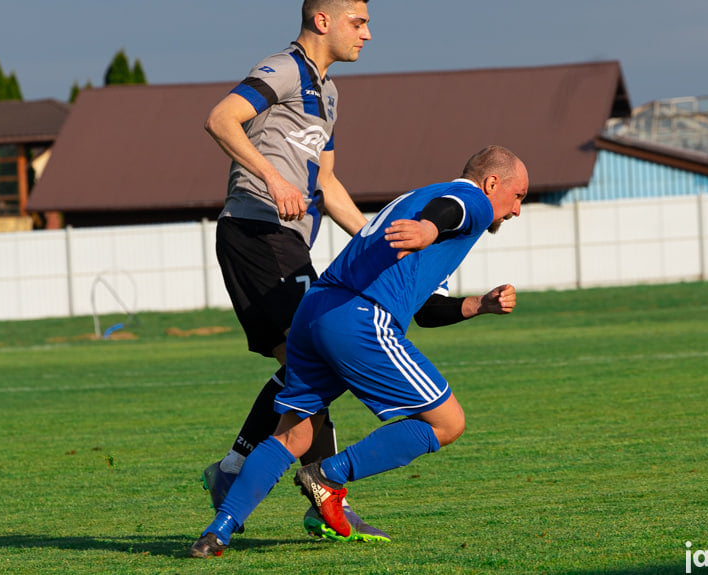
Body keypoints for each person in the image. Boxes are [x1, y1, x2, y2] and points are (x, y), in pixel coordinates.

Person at [189, 145, 529, 558]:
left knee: (294, 433)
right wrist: (429, 230)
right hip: (361, 316)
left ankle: (216, 532)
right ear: (492, 182)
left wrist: (479, 304)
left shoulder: (416, 197)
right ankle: (328, 475)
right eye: (518, 196)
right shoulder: (468, 200)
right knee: (448, 423)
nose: (516, 210)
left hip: (316, 312)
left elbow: (428, 311)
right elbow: (452, 208)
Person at [202, 0, 384, 540]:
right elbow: (220, 119)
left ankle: (233, 472)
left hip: (286, 243)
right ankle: (323, 497)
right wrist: (272, 179)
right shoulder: (283, 69)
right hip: (256, 233)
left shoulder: (328, 93)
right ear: (322, 21)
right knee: (321, 356)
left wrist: (381, 242)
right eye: (359, 22)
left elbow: (326, 184)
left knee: (309, 364)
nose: (368, 35)